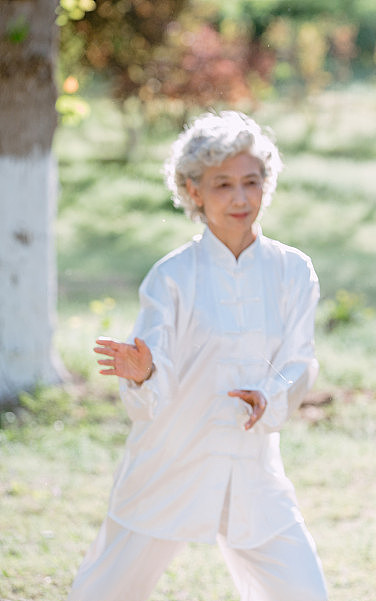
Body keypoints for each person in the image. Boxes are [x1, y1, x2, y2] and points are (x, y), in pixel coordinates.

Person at [68, 111, 328, 601]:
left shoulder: (294, 271)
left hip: (252, 470)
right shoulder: (171, 277)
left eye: (252, 182)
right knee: (105, 591)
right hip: (170, 459)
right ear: (193, 191)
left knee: (303, 591)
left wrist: (270, 398)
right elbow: (151, 367)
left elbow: (300, 361)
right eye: (223, 184)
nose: (241, 198)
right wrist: (144, 374)